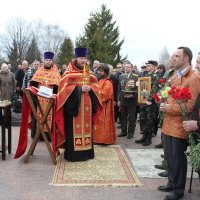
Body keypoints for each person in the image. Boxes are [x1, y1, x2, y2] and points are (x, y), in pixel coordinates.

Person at [158, 47, 200, 200]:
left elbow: (191, 105)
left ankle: (178, 190)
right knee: (170, 156)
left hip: (180, 124)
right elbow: (170, 95)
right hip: (169, 122)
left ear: (186, 58)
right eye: (173, 56)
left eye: (177, 56)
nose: (173, 59)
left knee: (178, 158)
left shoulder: (193, 78)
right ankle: (171, 182)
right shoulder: (175, 75)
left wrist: (169, 107)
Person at [55, 47, 102, 162]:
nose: (83, 60)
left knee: (87, 129)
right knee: (73, 130)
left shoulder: (90, 73)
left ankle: (87, 153)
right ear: (76, 58)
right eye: (81, 58)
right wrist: (79, 89)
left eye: (85, 58)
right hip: (73, 108)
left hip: (87, 106)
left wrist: (90, 88)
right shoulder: (68, 73)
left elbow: (97, 87)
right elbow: (63, 90)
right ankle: (73, 155)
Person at [30, 52, 61, 139]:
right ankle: (38, 135)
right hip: (39, 98)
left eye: (49, 60)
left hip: (50, 98)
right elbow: (33, 84)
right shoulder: (39, 71)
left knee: (50, 117)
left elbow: (58, 86)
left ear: (52, 61)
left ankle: (49, 136)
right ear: (44, 61)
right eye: (46, 60)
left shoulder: (56, 73)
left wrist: (54, 95)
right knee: (37, 116)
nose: (48, 61)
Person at [135, 60, 160, 146]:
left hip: (151, 102)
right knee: (143, 118)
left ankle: (149, 138)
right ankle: (144, 136)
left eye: (149, 66)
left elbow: (155, 88)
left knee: (150, 120)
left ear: (154, 66)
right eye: (147, 66)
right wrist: (139, 85)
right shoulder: (146, 75)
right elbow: (144, 87)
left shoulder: (156, 76)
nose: (147, 67)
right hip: (143, 100)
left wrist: (149, 99)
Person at [93, 63, 116, 144]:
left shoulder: (108, 82)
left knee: (104, 123)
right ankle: (98, 139)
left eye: (101, 71)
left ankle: (104, 139)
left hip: (105, 107)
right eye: (99, 70)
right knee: (99, 122)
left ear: (105, 72)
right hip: (99, 105)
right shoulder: (101, 80)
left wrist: (95, 93)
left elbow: (105, 95)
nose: (99, 72)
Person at [117, 62, 138, 139]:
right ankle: (124, 131)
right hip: (123, 100)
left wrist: (133, 95)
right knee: (123, 117)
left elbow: (138, 89)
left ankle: (130, 133)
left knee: (131, 118)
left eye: (128, 67)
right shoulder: (121, 76)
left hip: (132, 100)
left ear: (131, 68)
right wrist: (118, 100)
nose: (126, 68)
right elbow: (119, 89)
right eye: (125, 67)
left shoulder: (136, 77)